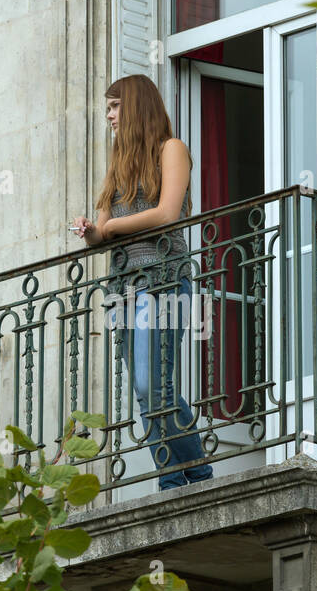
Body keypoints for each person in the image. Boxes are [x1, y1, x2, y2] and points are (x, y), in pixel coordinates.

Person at [71, 74, 213, 491]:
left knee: (156, 385)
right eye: (107, 108)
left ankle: (194, 476)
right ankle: (180, 480)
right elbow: (101, 235)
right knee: (146, 392)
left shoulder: (173, 149)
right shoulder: (118, 168)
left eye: (115, 106)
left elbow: (168, 213)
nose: (110, 116)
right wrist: (90, 230)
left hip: (165, 282)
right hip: (126, 291)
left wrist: (113, 226)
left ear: (135, 106)